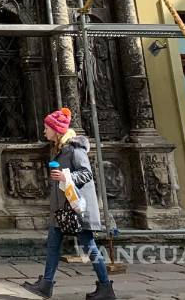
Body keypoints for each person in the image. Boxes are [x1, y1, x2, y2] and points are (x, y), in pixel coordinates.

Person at [22, 107, 116, 300]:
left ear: (56, 130)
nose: (44, 132)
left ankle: (106, 287)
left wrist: (65, 175)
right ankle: (46, 285)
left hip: (76, 209)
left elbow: (87, 173)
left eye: (47, 128)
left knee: (89, 247)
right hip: (63, 210)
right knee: (53, 245)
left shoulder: (74, 149)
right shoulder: (61, 149)